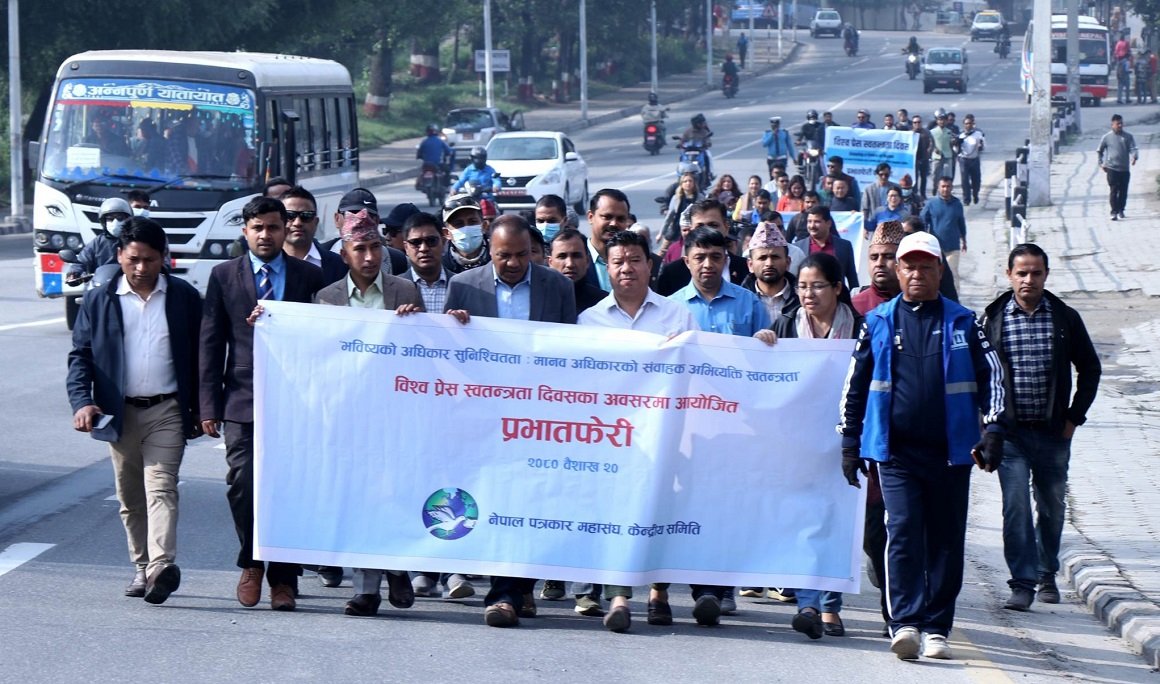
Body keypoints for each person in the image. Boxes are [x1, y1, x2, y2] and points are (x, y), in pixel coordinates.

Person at [839, 230, 1007, 661]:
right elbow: (855, 385)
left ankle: (937, 628)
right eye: (909, 265)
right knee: (903, 534)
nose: (916, 273)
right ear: (898, 270)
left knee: (946, 540)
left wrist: (993, 430)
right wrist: (850, 441)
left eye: (925, 265)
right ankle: (906, 623)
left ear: (938, 270)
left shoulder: (964, 322)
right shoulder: (877, 322)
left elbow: (995, 380)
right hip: (896, 454)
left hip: (952, 454)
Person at [443, 214, 577, 628]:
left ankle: (516, 587)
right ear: (489, 248)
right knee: (499, 498)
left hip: (539, 415)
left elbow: (571, 351)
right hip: (484, 415)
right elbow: (448, 353)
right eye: (504, 256)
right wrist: (455, 328)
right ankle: (507, 591)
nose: (514, 263)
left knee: (531, 499)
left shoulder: (557, 286)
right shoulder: (464, 285)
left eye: (521, 255)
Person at [67, 218, 201, 605]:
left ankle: (161, 566)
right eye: (134, 259)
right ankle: (141, 567)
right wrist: (82, 401)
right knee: (131, 497)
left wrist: (204, 406)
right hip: (119, 412)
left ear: (164, 259)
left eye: (150, 259)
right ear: (119, 256)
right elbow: (81, 356)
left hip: (168, 410)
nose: (141, 268)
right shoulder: (99, 299)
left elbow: (203, 354)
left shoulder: (183, 298)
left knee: (161, 486)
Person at [199, 196, 324, 612]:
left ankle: (284, 579)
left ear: (285, 228)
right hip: (241, 399)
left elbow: (322, 338)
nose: (266, 235)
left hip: (295, 402)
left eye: (273, 227)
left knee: (288, 488)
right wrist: (207, 406)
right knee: (242, 482)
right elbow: (211, 342)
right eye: (258, 228)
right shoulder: (224, 276)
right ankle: (251, 563)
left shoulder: (308, 276)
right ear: (245, 230)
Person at [575, 230, 699, 632]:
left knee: (659, 510)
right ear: (607, 268)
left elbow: (695, 371)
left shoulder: (677, 316)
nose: (626, 268)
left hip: (665, 433)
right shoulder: (589, 320)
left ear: (651, 265)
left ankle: (658, 592)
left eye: (635, 260)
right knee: (617, 511)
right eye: (618, 262)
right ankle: (618, 596)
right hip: (611, 435)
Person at [312, 210, 423, 617]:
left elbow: (421, 355)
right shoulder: (327, 299)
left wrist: (415, 326)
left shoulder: (405, 291)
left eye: (376, 247)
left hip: (396, 413)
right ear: (344, 253)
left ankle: (396, 566)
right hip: (351, 415)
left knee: (393, 494)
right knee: (358, 497)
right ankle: (367, 588)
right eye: (360, 248)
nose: (370, 256)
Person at [982, 244, 1101, 612]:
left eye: (1035, 273)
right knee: (1015, 506)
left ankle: (1046, 571)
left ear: (1046, 275)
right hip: (1011, 435)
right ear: (1009, 275)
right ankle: (1022, 582)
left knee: (1051, 507)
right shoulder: (994, 319)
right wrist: (986, 425)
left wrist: (1073, 418)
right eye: (1021, 273)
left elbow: (1091, 369)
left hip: (1053, 434)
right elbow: (981, 374)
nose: (1028, 280)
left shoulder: (1064, 318)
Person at [752, 251, 862, 640]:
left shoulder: (860, 330)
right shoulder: (785, 326)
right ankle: (809, 604)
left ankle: (831, 607)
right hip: (797, 443)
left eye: (817, 286)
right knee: (803, 521)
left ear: (837, 288)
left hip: (843, 442)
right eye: (802, 286)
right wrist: (763, 343)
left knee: (837, 520)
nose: (809, 294)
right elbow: (765, 379)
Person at [849, 221, 905, 635]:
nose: (881, 264)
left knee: (903, 528)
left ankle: (897, 615)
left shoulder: (921, 303)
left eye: (889, 257)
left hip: (907, 438)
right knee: (874, 533)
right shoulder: (853, 307)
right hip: (865, 438)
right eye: (874, 257)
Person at [656, 199, 750, 296]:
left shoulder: (747, 269)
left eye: (713, 225)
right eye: (699, 226)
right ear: (690, 230)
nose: (707, 231)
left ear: (726, 227)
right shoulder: (672, 273)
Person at [279, 186, 347, 286]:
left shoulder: (340, 265)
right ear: (279, 221)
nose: (297, 223)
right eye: (290, 216)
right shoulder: (266, 266)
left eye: (306, 215)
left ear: (316, 222)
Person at [333, 188, 409, 275]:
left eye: (368, 215)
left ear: (376, 221)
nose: (359, 221)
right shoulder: (322, 259)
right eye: (352, 215)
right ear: (337, 219)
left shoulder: (398, 261)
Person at [742, 221, 799, 322]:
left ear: (788, 262)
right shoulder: (740, 300)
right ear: (750, 265)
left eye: (775, 257)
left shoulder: (802, 299)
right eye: (762, 258)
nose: (769, 263)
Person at [66, 197, 132, 284]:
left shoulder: (134, 241)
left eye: (120, 218)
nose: (115, 222)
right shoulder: (97, 243)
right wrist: (74, 273)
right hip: (100, 286)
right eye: (110, 219)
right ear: (104, 222)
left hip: (130, 285)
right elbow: (82, 261)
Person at [792, 205, 858, 292]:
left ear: (828, 223)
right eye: (809, 221)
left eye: (817, 222)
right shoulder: (798, 247)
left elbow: (852, 278)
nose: (812, 226)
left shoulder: (844, 246)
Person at [920, 177, 967, 291]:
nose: (946, 189)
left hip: (953, 246)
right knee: (935, 274)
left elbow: (961, 222)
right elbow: (922, 220)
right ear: (938, 187)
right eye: (943, 186)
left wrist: (964, 240)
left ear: (951, 188)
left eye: (948, 186)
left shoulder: (957, 204)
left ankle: (955, 299)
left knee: (952, 273)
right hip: (935, 247)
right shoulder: (931, 203)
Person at [549, 228, 608, 314]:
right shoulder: (538, 299)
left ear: (587, 261)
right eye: (562, 256)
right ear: (550, 262)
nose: (570, 264)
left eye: (576, 256)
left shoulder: (604, 304)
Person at [584, 188, 633, 291]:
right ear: (590, 217)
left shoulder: (639, 261)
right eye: (607, 217)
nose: (614, 224)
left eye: (620, 219)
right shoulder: (575, 258)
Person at [901, 216, 957, 301]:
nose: (917, 275)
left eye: (907, 234)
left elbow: (947, 287)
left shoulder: (934, 254)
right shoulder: (900, 253)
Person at [1096, 114, 1138, 220]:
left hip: (1124, 168)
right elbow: (1099, 151)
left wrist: (1134, 157)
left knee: (1123, 191)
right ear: (1112, 125)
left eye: (1121, 123)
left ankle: (1121, 210)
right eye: (1117, 123)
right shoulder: (1106, 137)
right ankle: (1113, 212)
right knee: (1114, 190)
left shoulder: (1128, 136)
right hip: (1112, 168)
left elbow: (1133, 148)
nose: (1120, 125)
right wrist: (1101, 163)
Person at [441, 193, 492, 274]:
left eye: (472, 222)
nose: (466, 228)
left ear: (484, 226)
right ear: (447, 233)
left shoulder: (497, 258)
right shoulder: (441, 266)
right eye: (458, 224)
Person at [662, 173, 703, 256]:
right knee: (663, 251)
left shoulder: (700, 197)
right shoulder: (676, 198)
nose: (688, 183)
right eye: (685, 181)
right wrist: (662, 232)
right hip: (675, 229)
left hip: (693, 230)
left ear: (694, 183)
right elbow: (669, 216)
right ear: (681, 184)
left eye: (690, 181)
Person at [416, 123, 454, 189]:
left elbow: (419, 154)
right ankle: (447, 185)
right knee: (447, 171)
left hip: (426, 164)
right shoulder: (440, 141)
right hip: (438, 164)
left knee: (421, 172)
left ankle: (420, 184)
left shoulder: (424, 142)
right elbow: (449, 152)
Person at [957, 114, 985, 206]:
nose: (968, 125)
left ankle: (975, 194)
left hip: (974, 159)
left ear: (973, 124)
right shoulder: (960, 135)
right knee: (965, 181)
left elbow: (983, 146)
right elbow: (955, 149)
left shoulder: (978, 134)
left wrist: (980, 146)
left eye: (970, 123)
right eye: (966, 123)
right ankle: (966, 199)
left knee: (976, 180)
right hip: (964, 160)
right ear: (964, 125)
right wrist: (956, 144)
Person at [862, 162, 899, 228]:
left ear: (890, 174)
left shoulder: (896, 187)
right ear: (876, 174)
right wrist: (864, 227)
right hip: (874, 224)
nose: (883, 177)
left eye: (886, 175)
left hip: (892, 223)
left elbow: (901, 205)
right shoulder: (869, 189)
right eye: (881, 174)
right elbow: (864, 209)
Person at [680, 113, 714, 180]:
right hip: (689, 151)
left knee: (708, 156)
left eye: (703, 122)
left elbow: (708, 140)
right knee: (682, 156)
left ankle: (709, 173)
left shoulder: (705, 131)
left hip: (701, 150)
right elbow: (683, 140)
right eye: (700, 123)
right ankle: (681, 171)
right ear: (695, 124)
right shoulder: (688, 131)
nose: (702, 124)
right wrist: (680, 144)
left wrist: (707, 143)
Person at [930, 109, 955, 191]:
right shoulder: (932, 132)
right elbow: (930, 143)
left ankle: (947, 189)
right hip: (937, 156)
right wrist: (934, 149)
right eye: (940, 120)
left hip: (947, 155)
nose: (942, 122)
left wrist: (953, 142)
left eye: (943, 120)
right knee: (935, 174)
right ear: (937, 121)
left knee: (947, 175)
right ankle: (935, 187)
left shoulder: (949, 132)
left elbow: (953, 143)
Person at [911, 114, 933, 196]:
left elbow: (931, 142)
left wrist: (929, 151)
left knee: (924, 178)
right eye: (915, 122)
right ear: (912, 123)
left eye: (918, 122)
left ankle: (923, 194)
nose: (917, 124)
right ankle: (914, 194)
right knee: (914, 178)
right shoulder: (910, 134)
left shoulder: (926, 132)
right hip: (914, 160)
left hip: (924, 158)